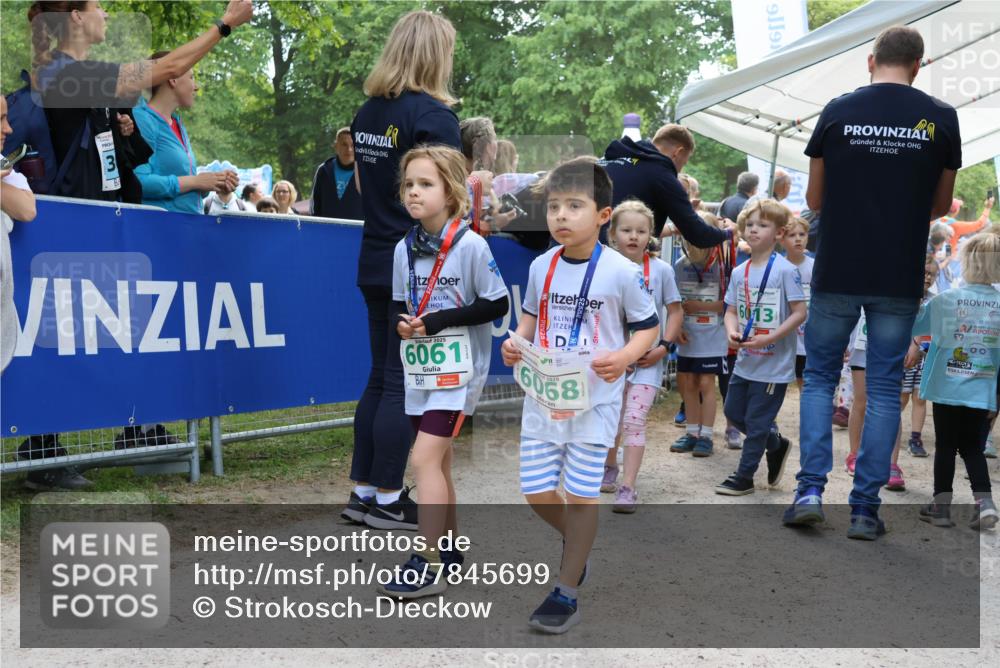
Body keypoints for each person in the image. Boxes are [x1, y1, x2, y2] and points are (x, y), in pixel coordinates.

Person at [784, 26, 962, 540]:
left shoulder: (838, 110)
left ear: (870, 61)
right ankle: (864, 508)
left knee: (820, 379)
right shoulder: (941, 118)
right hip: (896, 272)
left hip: (838, 267)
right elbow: (938, 205)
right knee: (884, 388)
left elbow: (814, 200)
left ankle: (810, 492)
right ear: (918, 65)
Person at [501, 158, 660, 634]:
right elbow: (530, 318)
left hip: (596, 401)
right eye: (553, 206)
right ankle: (579, 546)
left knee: (582, 493)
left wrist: (626, 357)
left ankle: (566, 590)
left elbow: (648, 328)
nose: (561, 216)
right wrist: (516, 342)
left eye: (574, 206)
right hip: (545, 396)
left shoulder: (621, 272)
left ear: (603, 215)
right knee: (535, 491)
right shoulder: (540, 266)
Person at [342, 10, 462, 531]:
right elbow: (445, 198)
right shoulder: (434, 116)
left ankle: (364, 491)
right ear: (438, 55)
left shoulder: (367, 112)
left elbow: (364, 187)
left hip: (373, 253)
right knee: (401, 384)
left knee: (380, 377)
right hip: (416, 263)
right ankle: (389, 498)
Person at [379, 145, 509, 597]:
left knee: (422, 460)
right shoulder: (403, 248)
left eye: (425, 184)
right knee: (440, 462)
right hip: (421, 371)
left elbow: (497, 303)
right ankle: (450, 549)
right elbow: (398, 302)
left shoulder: (470, 245)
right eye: (408, 184)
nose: (413, 192)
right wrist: (402, 323)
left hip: (460, 373)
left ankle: (428, 561)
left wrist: (438, 321)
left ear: (451, 193)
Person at [27, 0, 252, 202]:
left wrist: (119, 130)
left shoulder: (79, 76)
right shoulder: (72, 75)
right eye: (98, 7)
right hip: (78, 211)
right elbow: (170, 67)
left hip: (100, 206)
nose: (106, 15)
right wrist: (225, 24)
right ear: (77, 16)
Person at [715, 200, 806, 495]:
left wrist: (770, 338)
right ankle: (775, 443)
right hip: (745, 360)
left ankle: (744, 477)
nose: (753, 230)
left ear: (779, 233)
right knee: (733, 412)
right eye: (750, 225)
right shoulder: (739, 271)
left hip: (774, 364)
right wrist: (731, 331)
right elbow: (730, 310)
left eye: (762, 225)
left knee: (756, 422)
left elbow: (799, 312)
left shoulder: (785, 270)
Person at [600, 200, 682, 512]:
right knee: (611, 418)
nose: (634, 236)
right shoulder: (602, 267)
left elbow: (675, 311)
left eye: (641, 231)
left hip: (648, 360)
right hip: (613, 360)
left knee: (634, 419)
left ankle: (628, 487)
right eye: (626, 230)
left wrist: (664, 346)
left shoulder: (662, 270)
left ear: (651, 235)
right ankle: (609, 466)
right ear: (612, 233)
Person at [914, 228, 1000, 530]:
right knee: (973, 447)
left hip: (946, 386)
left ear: (967, 262)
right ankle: (985, 503)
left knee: (946, 446)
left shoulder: (946, 300)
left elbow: (916, 327)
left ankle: (941, 507)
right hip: (982, 389)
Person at [132, 51, 235, 213]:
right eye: (191, 77)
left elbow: (185, 189)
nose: (196, 87)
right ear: (173, 79)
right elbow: (138, 182)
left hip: (187, 224)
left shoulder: (177, 124)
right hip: (159, 225)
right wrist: (195, 182)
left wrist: (213, 182)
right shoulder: (143, 119)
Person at [599, 123, 737, 244]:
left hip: (590, 250)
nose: (680, 171)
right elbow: (698, 234)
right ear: (678, 152)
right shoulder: (661, 173)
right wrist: (727, 233)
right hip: (616, 256)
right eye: (684, 163)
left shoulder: (605, 161)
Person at [671, 212, 730, 457]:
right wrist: (676, 328)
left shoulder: (724, 266)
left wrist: (702, 306)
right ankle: (691, 433)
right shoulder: (679, 266)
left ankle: (706, 436)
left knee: (706, 383)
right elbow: (673, 303)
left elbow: (730, 305)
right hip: (689, 336)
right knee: (689, 384)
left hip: (713, 336)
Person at [900, 258, 938, 457]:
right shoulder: (904, 297)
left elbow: (937, 330)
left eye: (931, 274)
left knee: (920, 397)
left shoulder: (936, 300)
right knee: (901, 397)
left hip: (925, 356)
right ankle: (888, 431)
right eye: (924, 272)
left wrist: (925, 349)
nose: (927, 277)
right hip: (904, 355)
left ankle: (915, 438)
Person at [783, 216, 813, 389]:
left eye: (802, 234)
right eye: (792, 235)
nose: (798, 239)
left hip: (809, 337)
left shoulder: (815, 266)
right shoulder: (778, 266)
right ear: (782, 239)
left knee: (806, 382)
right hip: (785, 336)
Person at [311, 127, 363, 220]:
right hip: (327, 227)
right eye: (344, 144)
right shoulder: (324, 170)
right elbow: (315, 205)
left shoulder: (366, 172)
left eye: (353, 145)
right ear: (336, 146)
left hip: (358, 228)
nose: (349, 149)